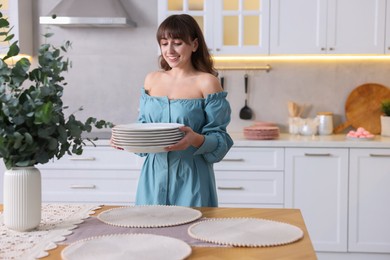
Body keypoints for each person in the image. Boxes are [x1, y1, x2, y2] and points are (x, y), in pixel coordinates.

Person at [135, 14, 233, 207]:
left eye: (177, 43)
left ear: (194, 45)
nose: (169, 50)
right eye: (164, 43)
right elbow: (143, 127)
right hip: (153, 177)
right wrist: (127, 140)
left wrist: (194, 139)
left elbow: (221, 140)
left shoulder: (207, 83)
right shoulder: (151, 80)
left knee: (191, 234)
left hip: (192, 179)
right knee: (148, 233)